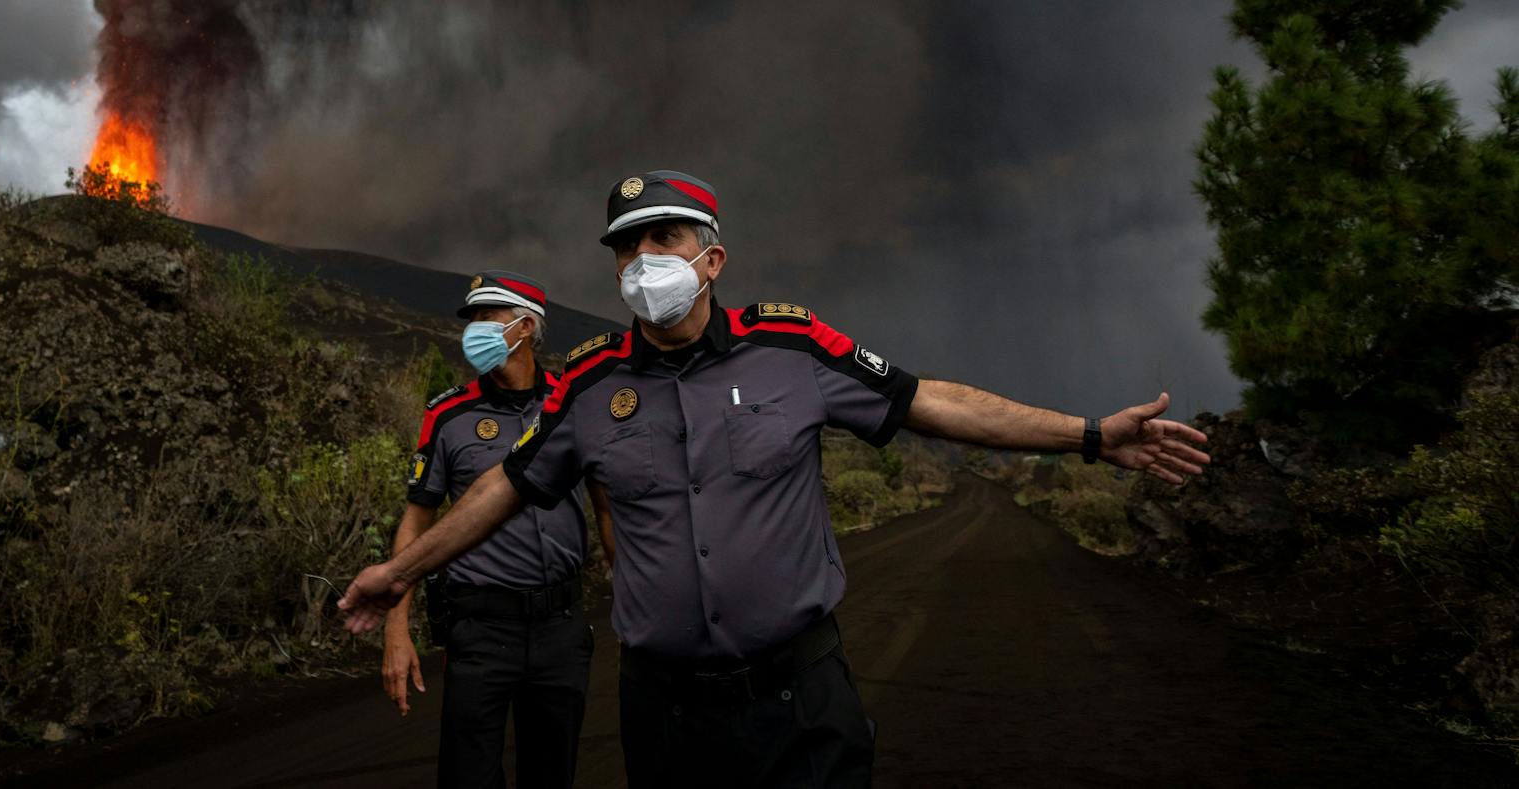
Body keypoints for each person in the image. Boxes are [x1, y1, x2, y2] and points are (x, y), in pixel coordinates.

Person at [343, 173, 1211, 788]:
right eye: (627, 246)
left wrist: (1090, 435)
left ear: (712, 259)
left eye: (664, 239)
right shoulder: (588, 382)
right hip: (664, 714)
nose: (643, 259)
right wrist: (399, 574)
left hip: (799, 704)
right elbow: (505, 487)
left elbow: (931, 401)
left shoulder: (792, 349)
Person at [382, 269, 614, 789]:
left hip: (561, 627)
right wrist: (396, 630)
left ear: (527, 326)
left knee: (551, 774)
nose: (474, 329)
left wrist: (641, 603)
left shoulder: (574, 405)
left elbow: (607, 510)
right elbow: (416, 519)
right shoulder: (448, 415)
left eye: (489, 317)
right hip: (481, 630)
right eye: (471, 319)